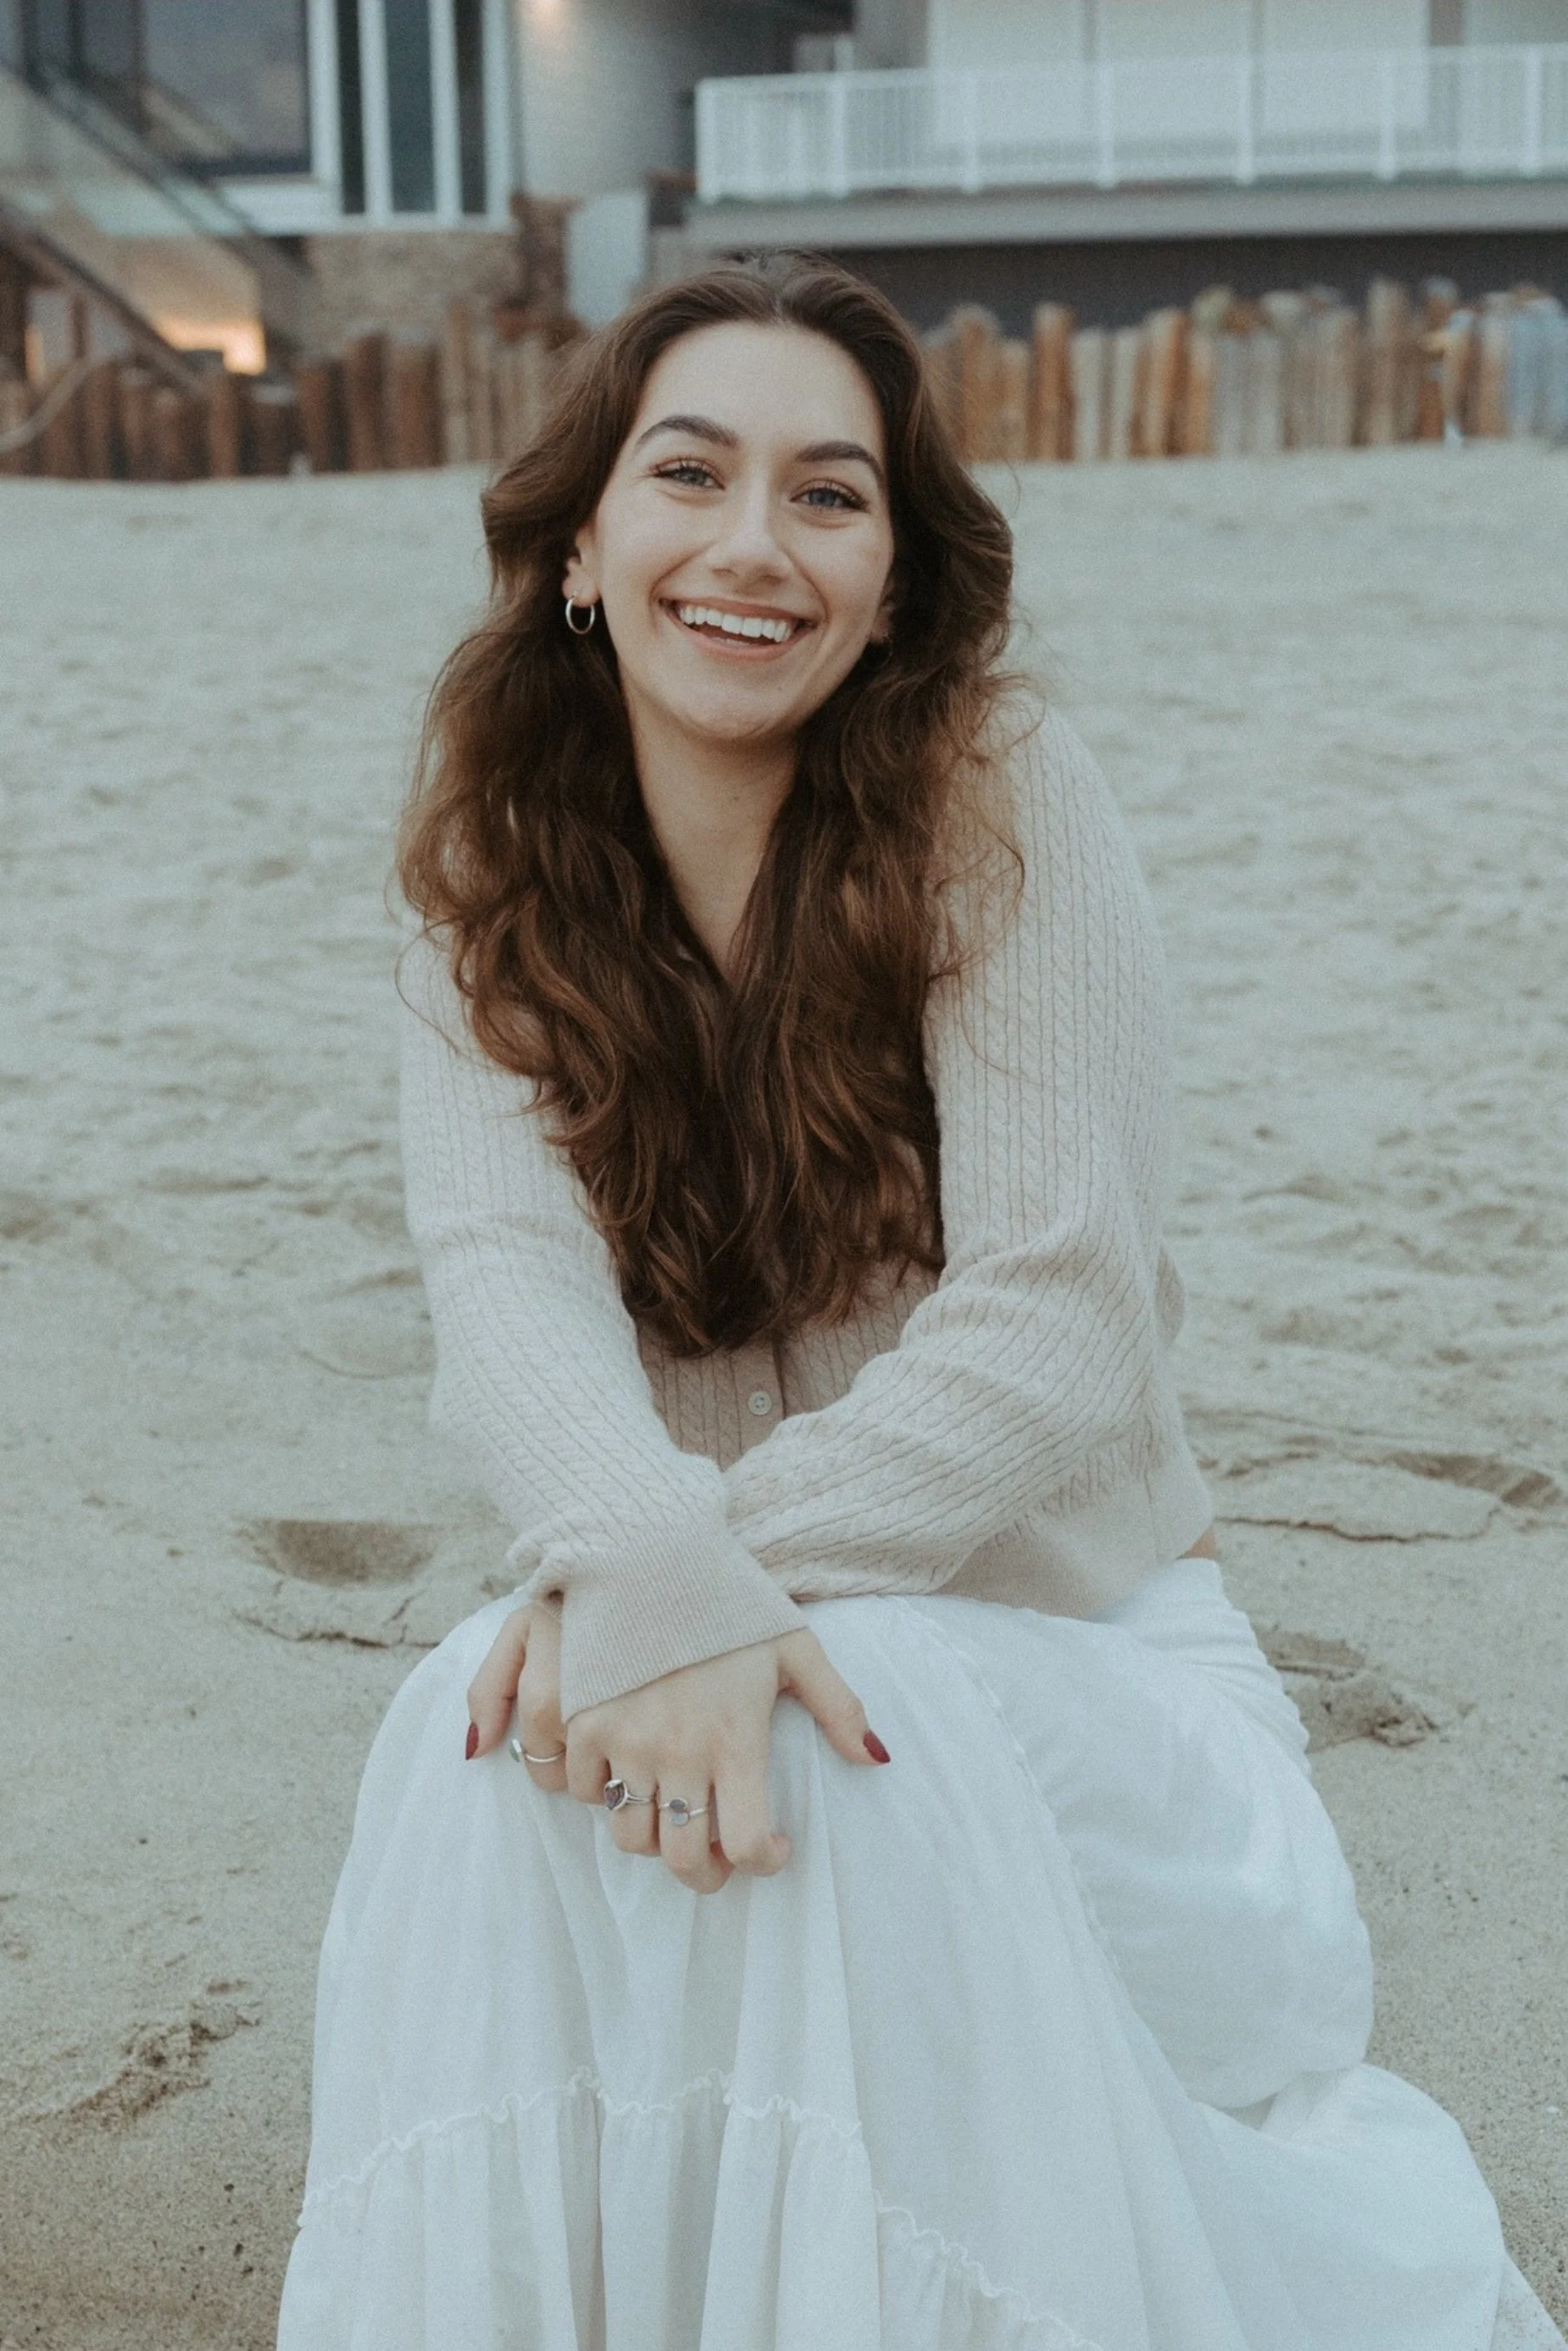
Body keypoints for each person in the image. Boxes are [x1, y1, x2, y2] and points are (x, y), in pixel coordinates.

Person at [276, 258, 1560, 2351]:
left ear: (892, 578)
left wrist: (676, 1584)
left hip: (1097, 1699)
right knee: (455, 1731)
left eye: (831, 495)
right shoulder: (492, 870)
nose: (752, 546)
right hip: (716, 1671)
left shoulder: (993, 792)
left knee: (867, 1739)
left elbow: (1061, 1319)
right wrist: (659, 1588)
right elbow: (504, 1293)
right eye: (688, 473)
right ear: (584, 542)